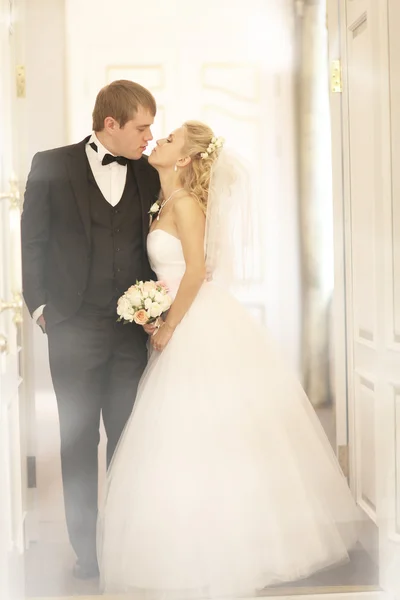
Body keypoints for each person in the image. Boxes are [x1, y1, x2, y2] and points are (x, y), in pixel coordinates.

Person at [97, 121, 361, 598]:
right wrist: (151, 309)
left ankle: (229, 547)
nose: (159, 140)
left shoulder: (186, 204)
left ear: (183, 160)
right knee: (180, 434)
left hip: (196, 324)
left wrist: (170, 323)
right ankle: (185, 541)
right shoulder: (165, 201)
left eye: (171, 138)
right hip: (176, 318)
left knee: (205, 430)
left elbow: (196, 271)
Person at [21, 80, 160, 579]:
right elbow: (31, 239)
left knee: (127, 439)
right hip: (72, 326)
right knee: (78, 440)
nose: (149, 136)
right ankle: (87, 554)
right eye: (142, 127)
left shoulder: (150, 173)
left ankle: (123, 545)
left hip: (130, 332)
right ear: (111, 124)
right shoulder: (52, 164)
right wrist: (40, 307)